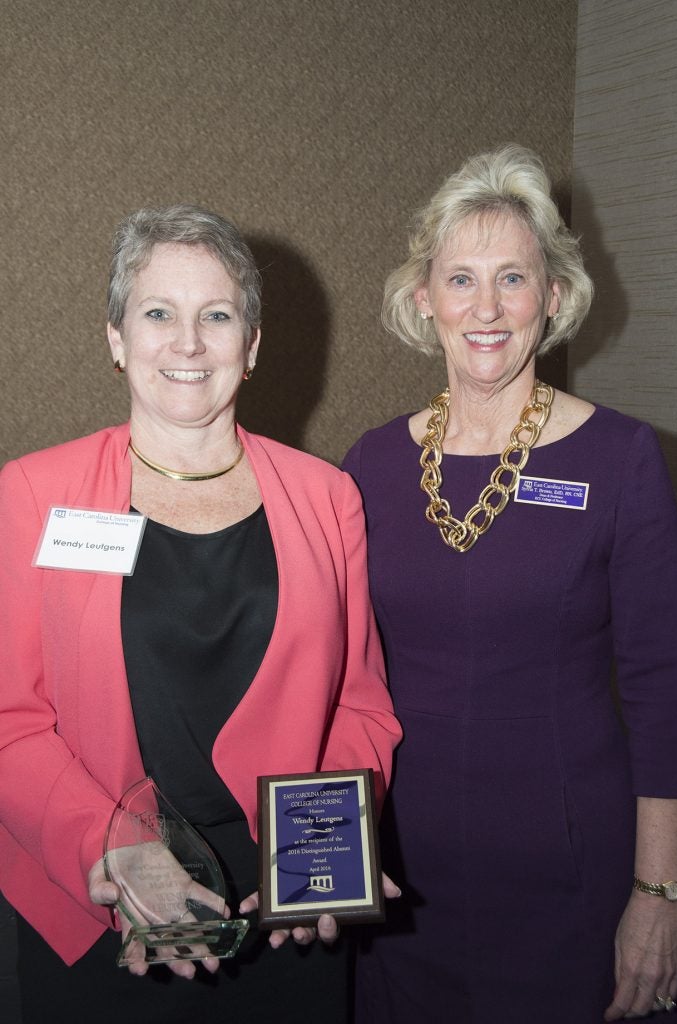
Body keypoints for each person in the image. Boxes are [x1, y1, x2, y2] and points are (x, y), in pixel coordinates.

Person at [0, 204, 402, 1024]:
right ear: (116, 337)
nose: (187, 343)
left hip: (279, 908)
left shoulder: (328, 500)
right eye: (158, 313)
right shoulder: (32, 495)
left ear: (249, 346)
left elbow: (359, 708)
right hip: (101, 902)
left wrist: (329, 851)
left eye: (216, 316)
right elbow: (9, 721)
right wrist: (113, 846)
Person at [342, 146, 677, 1023]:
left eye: (512, 279)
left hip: (568, 863)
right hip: (401, 866)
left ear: (555, 298)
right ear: (425, 300)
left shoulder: (621, 458)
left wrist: (660, 892)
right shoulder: (371, 465)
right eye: (459, 279)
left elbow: (662, 689)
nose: (485, 309)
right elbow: (338, 677)